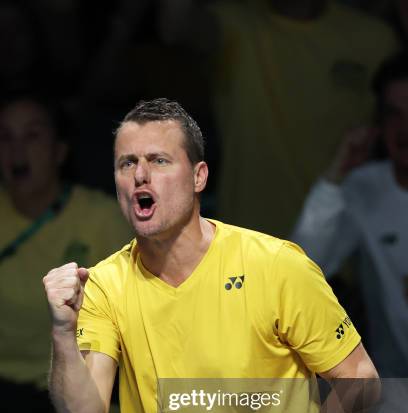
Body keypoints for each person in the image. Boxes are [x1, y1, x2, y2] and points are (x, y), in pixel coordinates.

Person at [43, 98, 378, 413]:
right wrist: (63, 333)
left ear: (198, 176)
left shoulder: (275, 267)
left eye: (158, 160)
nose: (139, 176)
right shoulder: (106, 286)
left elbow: (362, 383)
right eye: (126, 163)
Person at [157, 0, 398, 237]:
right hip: (249, 247)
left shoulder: (374, 39)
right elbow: (174, 26)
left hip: (342, 252)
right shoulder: (234, 25)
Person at [0, 92, 132, 413]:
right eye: (6, 137)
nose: (16, 150)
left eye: (32, 136)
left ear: (59, 151)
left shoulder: (105, 221)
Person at [292, 52, 408, 379]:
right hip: (395, 399)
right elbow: (302, 269)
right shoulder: (363, 188)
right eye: (394, 115)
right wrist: (334, 177)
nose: (404, 128)